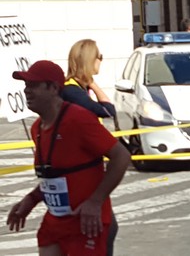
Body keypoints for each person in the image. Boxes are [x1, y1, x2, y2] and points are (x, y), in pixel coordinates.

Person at [7, 60, 130, 256]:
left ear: (53, 88)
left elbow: (121, 156)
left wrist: (95, 201)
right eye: (25, 86)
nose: (26, 91)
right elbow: (56, 175)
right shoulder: (37, 128)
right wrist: (31, 199)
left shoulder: (78, 119)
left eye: (33, 86)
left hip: (86, 222)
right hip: (56, 221)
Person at [61, 39, 119, 255]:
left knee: (105, 228)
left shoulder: (77, 89)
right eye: (99, 56)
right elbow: (107, 110)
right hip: (80, 169)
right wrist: (93, 83)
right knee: (103, 229)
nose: (101, 61)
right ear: (89, 60)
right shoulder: (72, 91)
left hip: (90, 165)